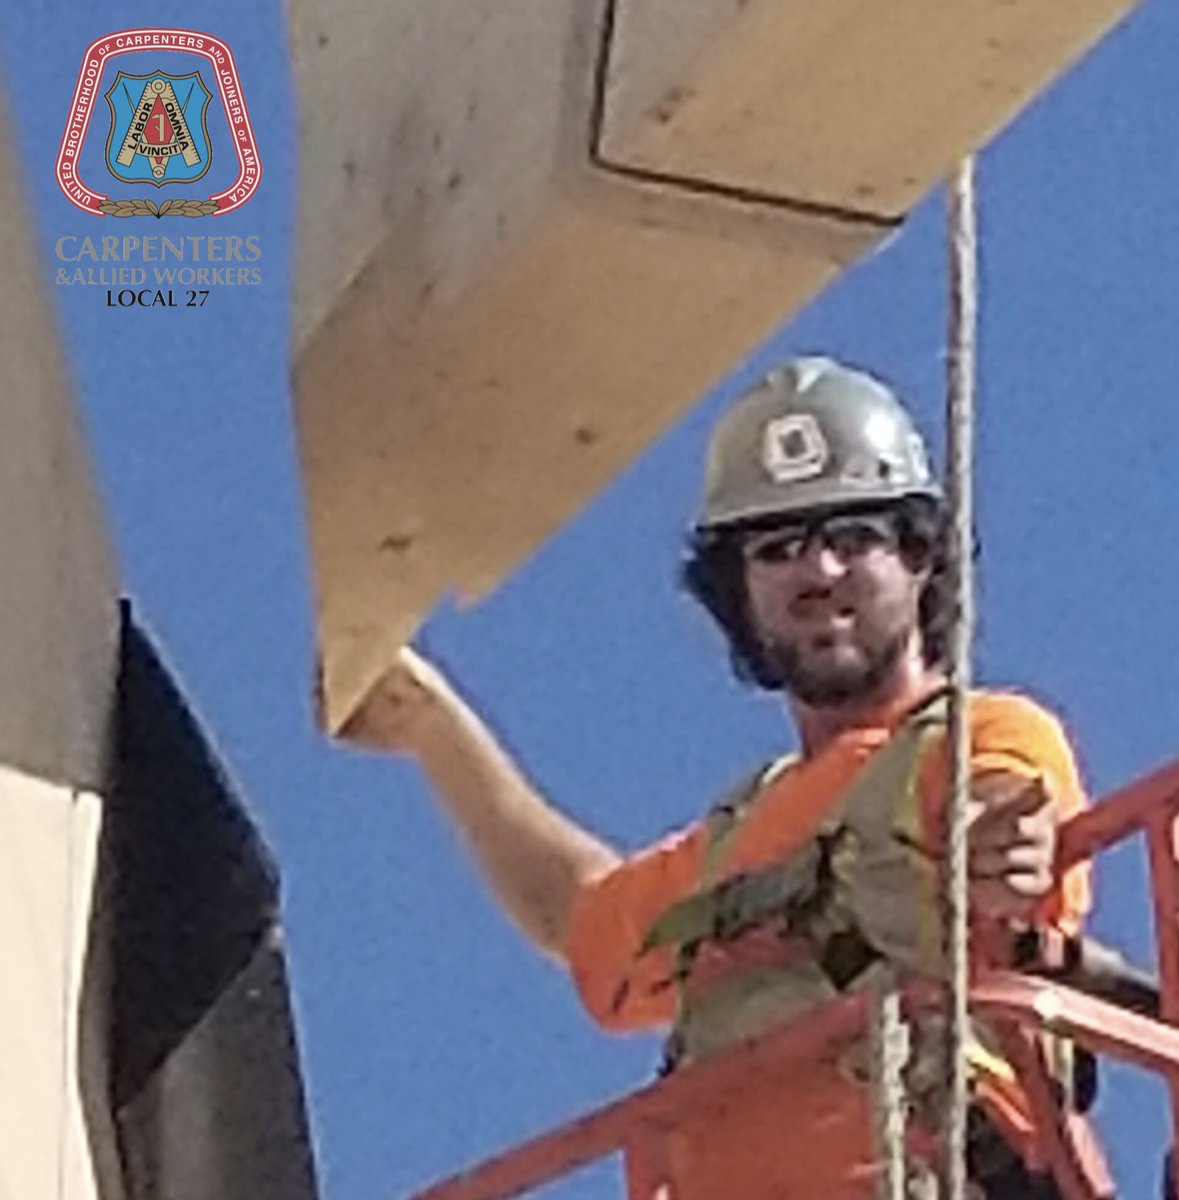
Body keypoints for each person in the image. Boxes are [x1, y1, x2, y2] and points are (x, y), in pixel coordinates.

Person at [339, 358, 1102, 1198]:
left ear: (919, 559)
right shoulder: (743, 835)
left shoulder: (977, 734)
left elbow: (1005, 813)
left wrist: (1003, 847)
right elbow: (579, 915)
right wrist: (430, 726)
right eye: (777, 547)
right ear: (736, 593)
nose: (816, 574)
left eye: (852, 537)